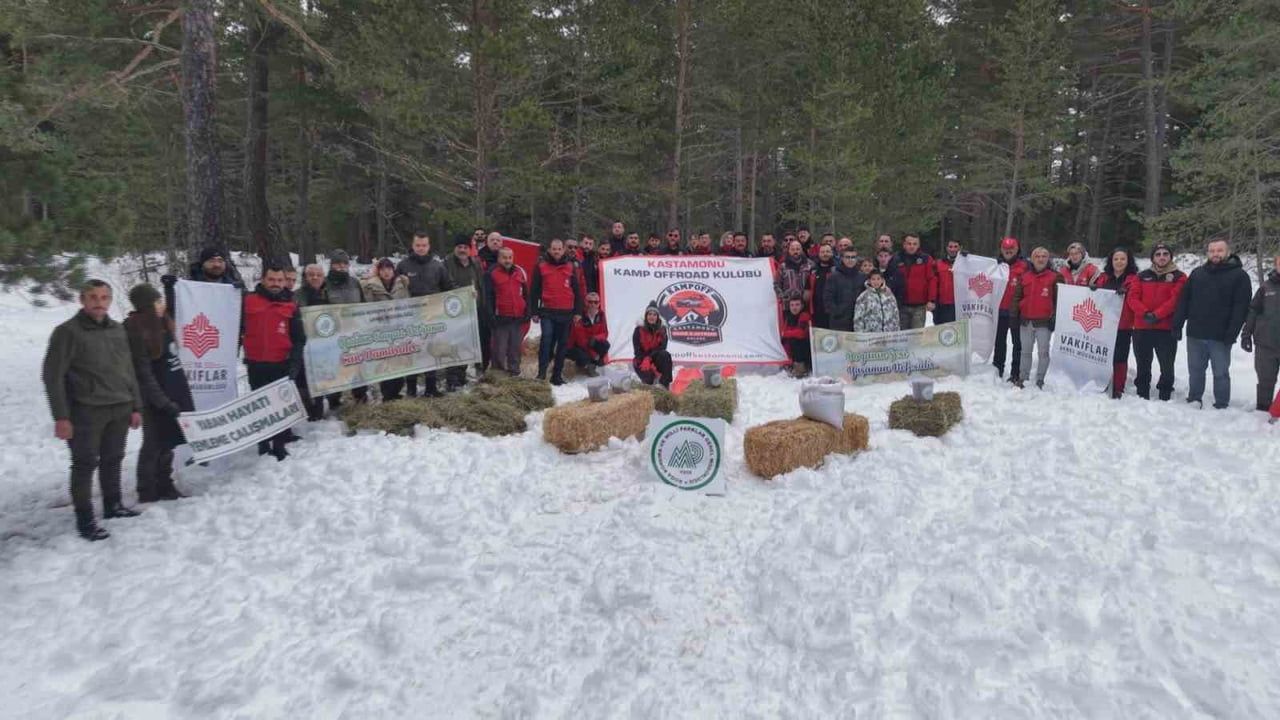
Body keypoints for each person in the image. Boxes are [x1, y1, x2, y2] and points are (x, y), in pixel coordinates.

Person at [42, 280, 144, 540]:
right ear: (82, 300)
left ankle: (113, 505)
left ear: (110, 300)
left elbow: (128, 369)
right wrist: (61, 417)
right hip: (86, 411)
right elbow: (53, 376)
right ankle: (85, 519)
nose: (99, 302)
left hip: (120, 406)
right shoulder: (67, 332)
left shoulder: (117, 330)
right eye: (93, 297)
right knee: (85, 464)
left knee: (113, 459)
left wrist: (136, 406)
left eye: (104, 297)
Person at [124, 283, 194, 503]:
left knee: (168, 442)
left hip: (174, 391)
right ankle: (147, 489)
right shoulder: (137, 330)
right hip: (154, 399)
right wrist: (162, 402)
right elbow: (144, 374)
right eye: (158, 301)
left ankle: (165, 483)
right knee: (153, 445)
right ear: (148, 305)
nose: (162, 304)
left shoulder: (163, 324)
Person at [1172, 237, 1253, 409]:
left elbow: (1240, 308)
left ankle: (1221, 404)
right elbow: (1184, 300)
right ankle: (1194, 398)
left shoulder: (1240, 276)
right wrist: (1177, 324)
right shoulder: (1197, 274)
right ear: (1208, 253)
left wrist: (1232, 333)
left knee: (1221, 373)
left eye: (1220, 250)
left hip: (1221, 336)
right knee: (1195, 370)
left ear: (1228, 252)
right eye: (1212, 251)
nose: (1215, 254)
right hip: (1196, 333)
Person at [242, 263, 305, 460]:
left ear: (285, 282)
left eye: (279, 280)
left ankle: (279, 444)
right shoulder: (248, 301)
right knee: (260, 406)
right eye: (271, 279)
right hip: (256, 364)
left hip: (281, 364)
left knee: (279, 407)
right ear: (263, 280)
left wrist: (294, 364)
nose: (275, 283)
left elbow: (299, 338)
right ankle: (263, 443)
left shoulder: (291, 305)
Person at [396, 231, 453, 397]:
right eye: (418, 245)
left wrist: (467, 295)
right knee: (411, 350)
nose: (421, 248)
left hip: (431, 316)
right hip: (409, 318)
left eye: (424, 245)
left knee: (431, 349)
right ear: (413, 246)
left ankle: (431, 388)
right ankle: (411, 388)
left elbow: (449, 288)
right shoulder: (403, 265)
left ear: (429, 246)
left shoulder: (438, 266)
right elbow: (392, 287)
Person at [1127, 243, 1187, 401]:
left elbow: (1176, 300)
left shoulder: (1179, 277)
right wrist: (1145, 313)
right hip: (1142, 327)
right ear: (1153, 257)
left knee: (1167, 366)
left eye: (1165, 254)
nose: (1161, 257)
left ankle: (1165, 393)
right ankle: (1142, 392)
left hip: (1165, 328)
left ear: (1170, 257)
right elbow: (1132, 298)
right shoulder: (1141, 276)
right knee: (1143, 363)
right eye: (1158, 254)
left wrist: (1157, 315)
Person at [530, 238, 583, 385]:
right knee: (546, 340)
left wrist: (578, 311)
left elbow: (577, 290)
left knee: (562, 344)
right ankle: (541, 373)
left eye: (559, 249)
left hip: (566, 312)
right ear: (549, 250)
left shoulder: (570, 266)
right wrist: (534, 311)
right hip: (547, 311)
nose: (556, 252)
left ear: (563, 250)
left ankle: (557, 375)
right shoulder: (541, 266)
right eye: (554, 249)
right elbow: (534, 290)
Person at [1090, 247, 1138, 398]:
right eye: (1116, 259)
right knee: (1102, 355)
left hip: (1123, 325)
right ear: (1111, 261)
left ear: (1128, 261)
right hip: (1104, 324)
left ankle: (1118, 387)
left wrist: (1127, 293)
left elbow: (1136, 297)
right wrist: (1093, 288)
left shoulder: (1134, 279)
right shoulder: (1104, 277)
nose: (1119, 262)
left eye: (1122, 259)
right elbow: (1096, 295)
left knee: (1120, 357)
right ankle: (1101, 382)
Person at [1010, 247, 1062, 389]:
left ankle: (1041, 378)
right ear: (1032, 259)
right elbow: (1017, 297)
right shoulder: (1024, 276)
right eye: (1037, 256)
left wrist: (1055, 317)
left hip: (1044, 323)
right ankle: (1023, 377)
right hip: (1026, 321)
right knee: (1025, 352)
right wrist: (1014, 315)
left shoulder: (1055, 277)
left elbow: (1059, 300)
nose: (1040, 259)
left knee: (1043, 353)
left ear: (1048, 259)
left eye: (1044, 256)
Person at [362, 259, 414, 399]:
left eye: (389, 269)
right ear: (378, 271)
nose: (386, 272)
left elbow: (408, 302)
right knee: (385, 361)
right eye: (383, 269)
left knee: (399, 359)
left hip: (399, 328)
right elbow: (366, 305)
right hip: (381, 330)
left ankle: (396, 391)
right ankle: (387, 394)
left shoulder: (401, 284)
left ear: (393, 270)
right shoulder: (371, 285)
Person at [445, 236, 487, 387]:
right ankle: (452, 379)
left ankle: (461, 375)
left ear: (470, 249)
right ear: (455, 248)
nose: (462, 250)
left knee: (465, 345)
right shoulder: (447, 263)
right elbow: (447, 283)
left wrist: (482, 303)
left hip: (473, 310)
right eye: (459, 247)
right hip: (454, 311)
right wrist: (463, 294)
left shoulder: (475, 263)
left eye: (465, 247)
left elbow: (481, 284)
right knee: (453, 345)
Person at [1243, 254, 1280, 411]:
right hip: (1266, 343)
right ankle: (1263, 410)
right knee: (1266, 380)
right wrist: (1246, 334)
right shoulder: (1266, 287)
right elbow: (1253, 311)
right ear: (1276, 265)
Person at [485, 247, 530, 376]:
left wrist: (528, 310)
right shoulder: (492, 273)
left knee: (515, 348)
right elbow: (488, 296)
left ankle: (514, 372)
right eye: (504, 257)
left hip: (517, 317)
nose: (508, 260)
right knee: (499, 348)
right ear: (499, 258)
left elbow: (525, 293)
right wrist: (491, 315)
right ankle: (498, 374)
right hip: (501, 317)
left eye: (510, 257)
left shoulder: (519, 272)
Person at [995, 237, 1029, 380]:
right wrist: (964, 259)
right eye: (1005, 248)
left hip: (1017, 312)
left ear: (1017, 249)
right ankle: (997, 369)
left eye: (1011, 249)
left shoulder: (1026, 265)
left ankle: (1016, 373)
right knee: (999, 342)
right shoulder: (995, 264)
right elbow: (976, 270)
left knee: (1018, 344)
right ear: (1001, 249)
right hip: (999, 310)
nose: (1008, 251)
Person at [895, 233, 937, 329]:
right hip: (901, 305)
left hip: (920, 305)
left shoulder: (926, 259)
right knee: (902, 334)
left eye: (915, 244)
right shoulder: (897, 258)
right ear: (904, 245)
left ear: (918, 245)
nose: (912, 246)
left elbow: (932, 280)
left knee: (917, 334)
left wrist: (931, 300)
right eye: (909, 244)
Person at [567, 292, 609, 376]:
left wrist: (595, 338)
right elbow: (581, 341)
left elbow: (605, 333)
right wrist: (594, 354)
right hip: (577, 346)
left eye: (595, 302)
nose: (593, 305)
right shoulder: (580, 317)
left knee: (605, 345)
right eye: (590, 302)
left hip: (591, 342)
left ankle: (594, 362)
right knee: (583, 357)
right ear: (586, 303)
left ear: (599, 304)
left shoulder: (601, 315)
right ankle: (588, 364)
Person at [824, 248, 866, 331]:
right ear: (842, 258)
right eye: (847, 257)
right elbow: (828, 298)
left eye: (853, 257)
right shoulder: (833, 277)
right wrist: (837, 312)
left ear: (856, 259)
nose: (850, 260)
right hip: (839, 321)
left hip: (859, 320)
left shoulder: (863, 277)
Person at [633, 303, 673, 388]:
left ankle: (664, 385)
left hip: (655, 357)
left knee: (665, 355)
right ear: (646, 316)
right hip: (642, 360)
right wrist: (645, 359)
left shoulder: (662, 330)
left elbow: (662, 347)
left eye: (654, 315)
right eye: (649, 314)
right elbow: (637, 350)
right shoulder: (638, 330)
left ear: (658, 317)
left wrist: (649, 357)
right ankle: (648, 382)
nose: (652, 317)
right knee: (649, 380)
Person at [780, 294, 812, 376]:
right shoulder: (788, 317)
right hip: (792, 350)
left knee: (796, 341)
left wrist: (786, 333)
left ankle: (801, 368)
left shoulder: (804, 315)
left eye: (797, 305)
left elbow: (801, 333)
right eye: (792, 305)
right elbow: (783, 332)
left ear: (802, 306)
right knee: (785, 341)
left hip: (805, 348)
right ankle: (789, 363)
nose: (794, 307)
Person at [809, 244, 837, 329]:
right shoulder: (813, 271)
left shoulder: (837, 271)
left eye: (827, 251)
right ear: (819, 254)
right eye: (823, 252)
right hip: (816, 311)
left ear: (832, 253)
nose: (825, 254)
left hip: (833, 312)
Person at [779, 240, 814, 306]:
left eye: (798, 249)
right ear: (789, 251)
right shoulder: (783, 266)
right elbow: (777, 284)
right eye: (792, 249)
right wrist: (783, 297)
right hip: (789, 304)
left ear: (801, 250)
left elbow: (815, 283)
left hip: (806, 304)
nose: (795, 251)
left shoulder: (810, 265)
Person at [934, 240, 961, 324]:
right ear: (947, 248)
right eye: (950, 247)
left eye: (955, 247)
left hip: (958, 304)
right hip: (941, 304)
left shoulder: (965, 263)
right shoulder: (938, 263)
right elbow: (933, 283)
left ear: (960, 248)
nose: (953, 249)